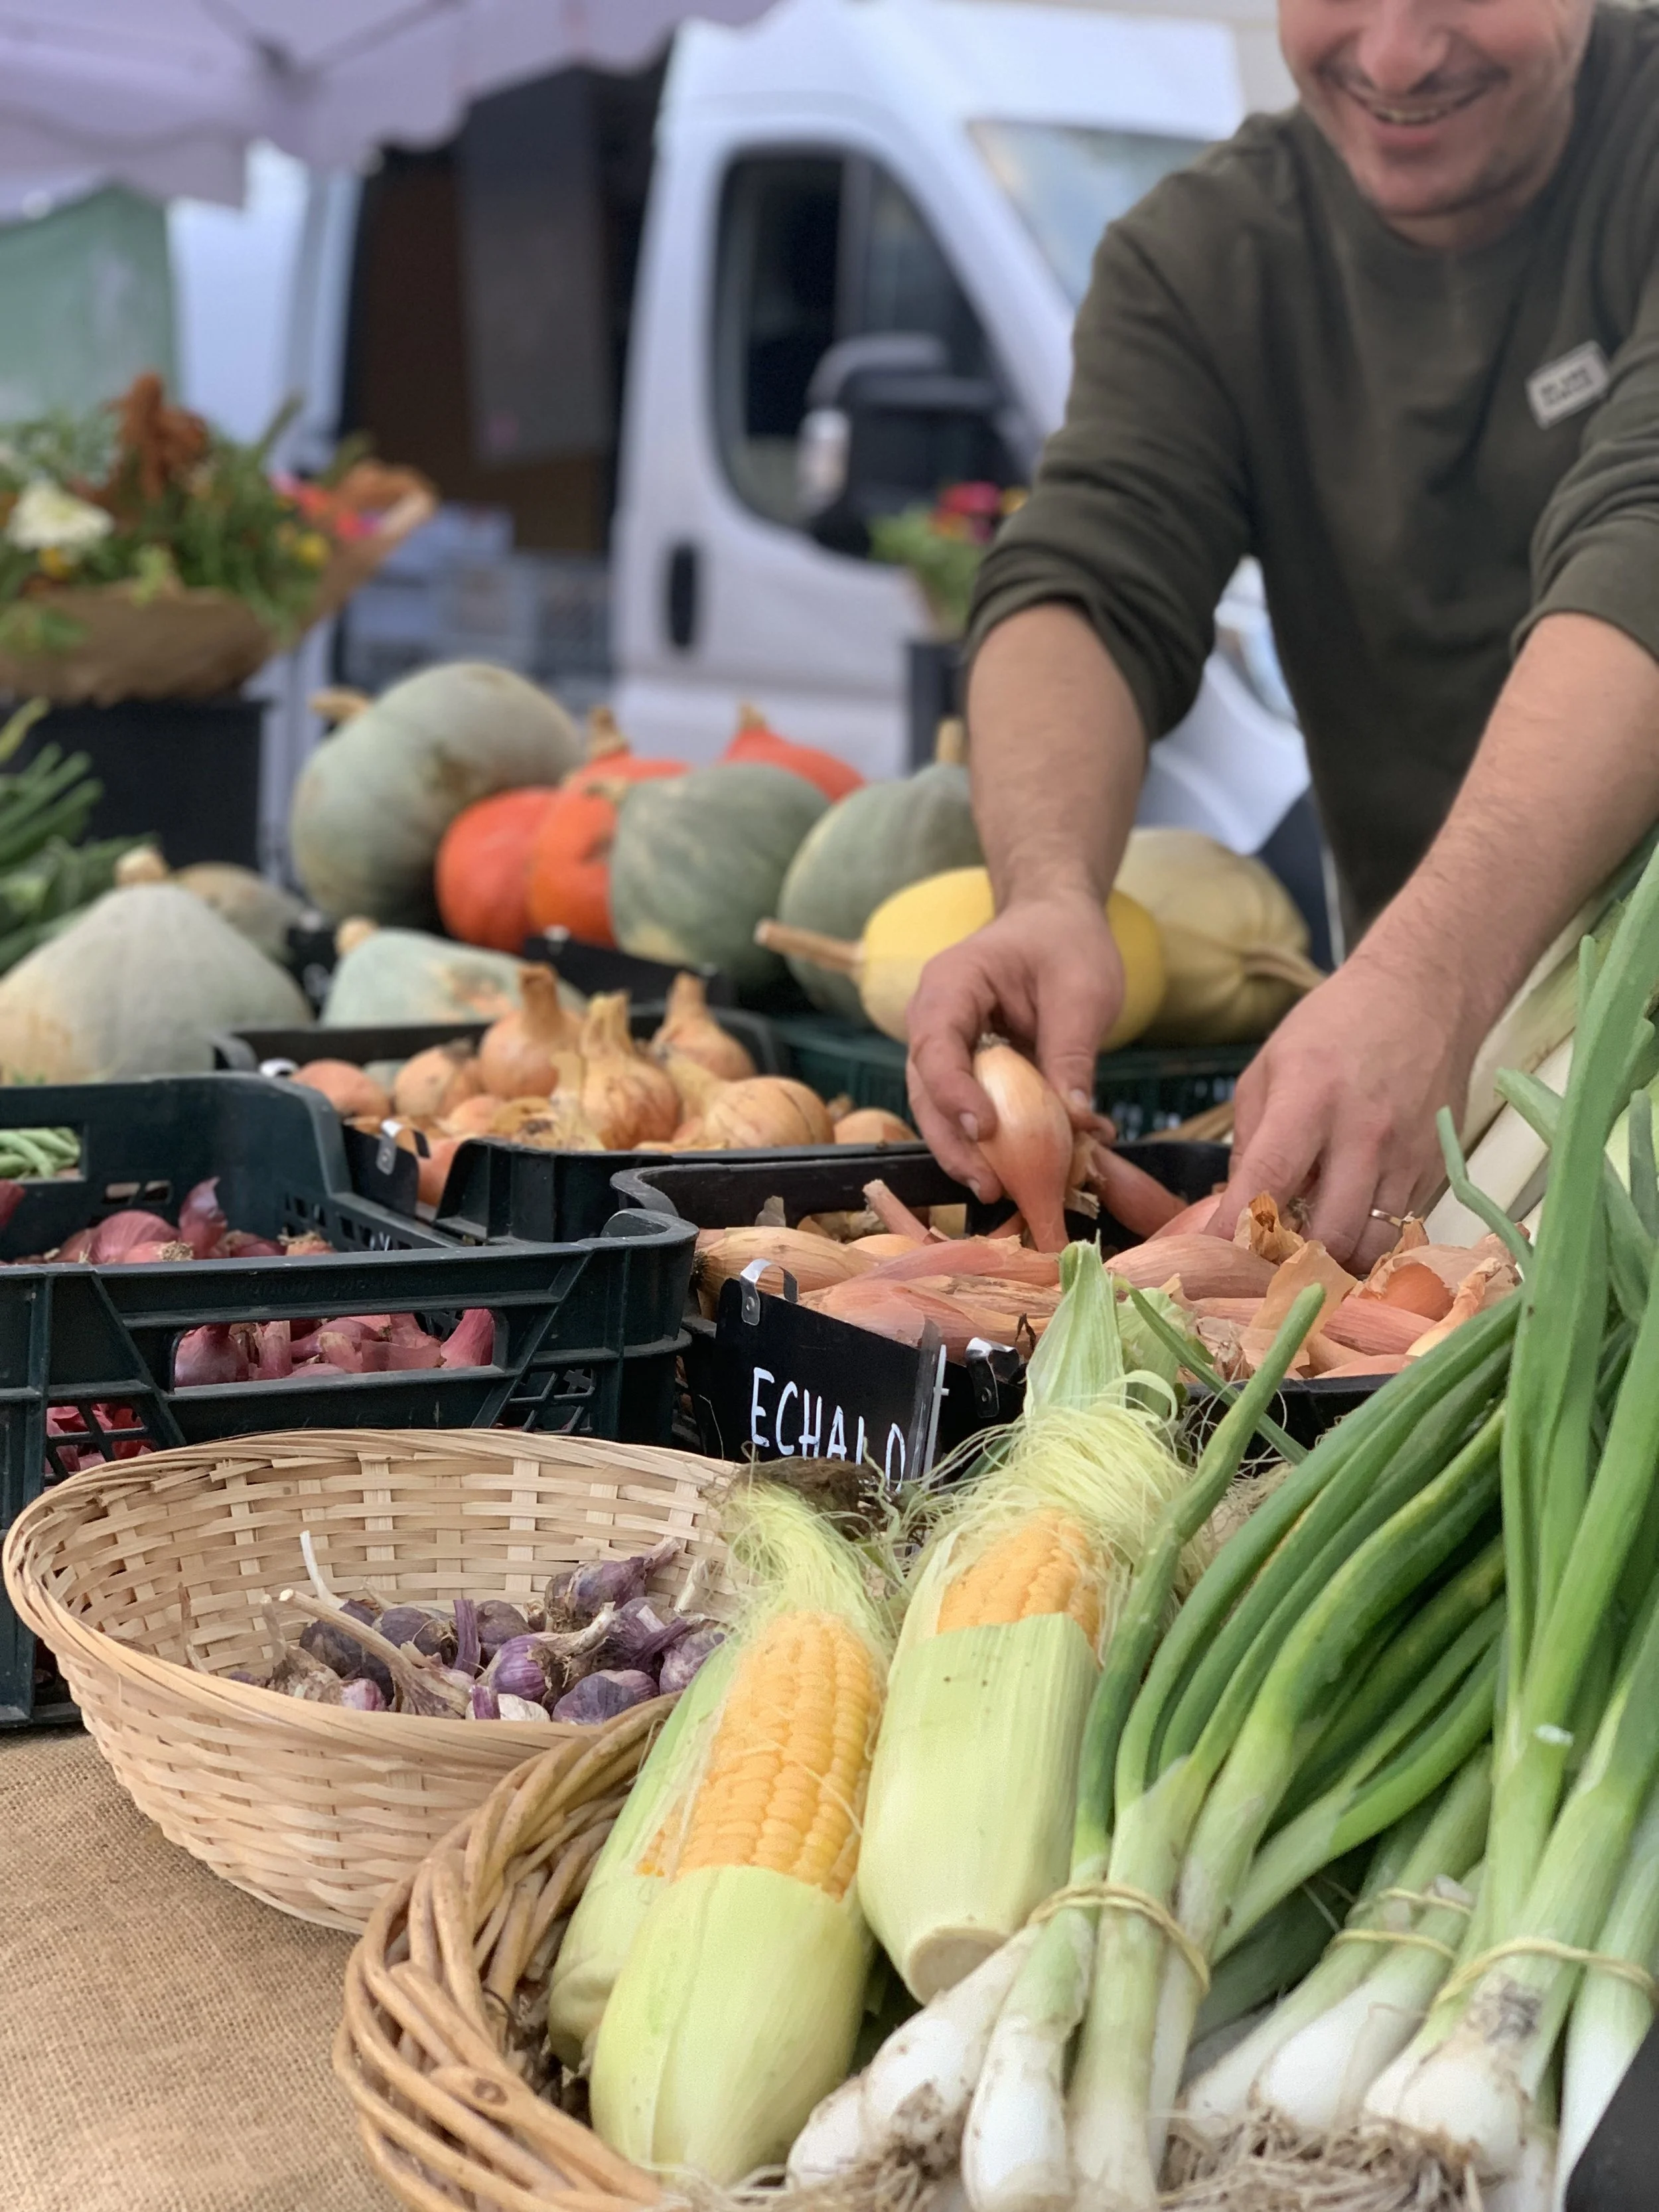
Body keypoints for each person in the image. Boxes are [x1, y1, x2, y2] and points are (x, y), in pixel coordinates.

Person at [904, 0, 1659, 1268]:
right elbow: (1088, 569)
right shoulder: (1202, 256)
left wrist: (1434, 977)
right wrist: (1049, 892)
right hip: (1454, 1116)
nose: (1397, 54)